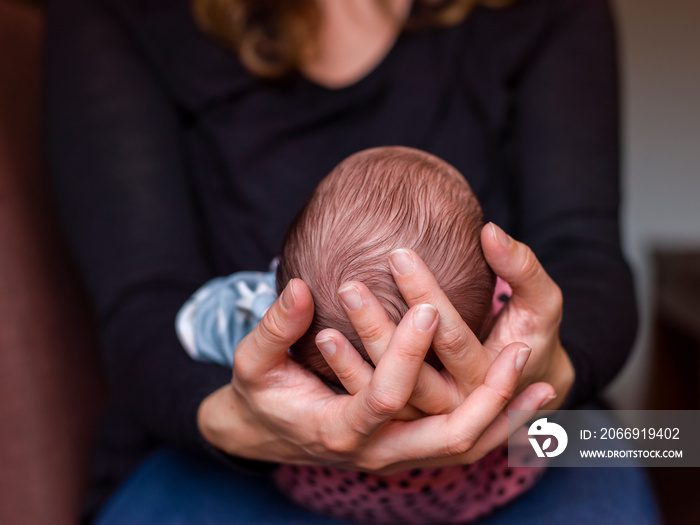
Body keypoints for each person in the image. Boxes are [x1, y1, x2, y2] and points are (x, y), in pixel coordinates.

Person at [44, 0, 657, 523]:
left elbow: (588, 259)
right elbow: (141, 311)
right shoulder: (118, 13)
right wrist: (243, 419)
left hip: (533, 425)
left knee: (643, 443)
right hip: (229, 441)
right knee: (678, 438)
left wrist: (546, 372)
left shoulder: (255, 307)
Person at [177, 145, 546, 524]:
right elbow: (556, 412)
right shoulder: (504, 314)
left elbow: (192, 323)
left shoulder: (263, 322)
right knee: (584, 439)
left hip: (321, 493)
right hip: (489, 487)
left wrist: (246, 300)